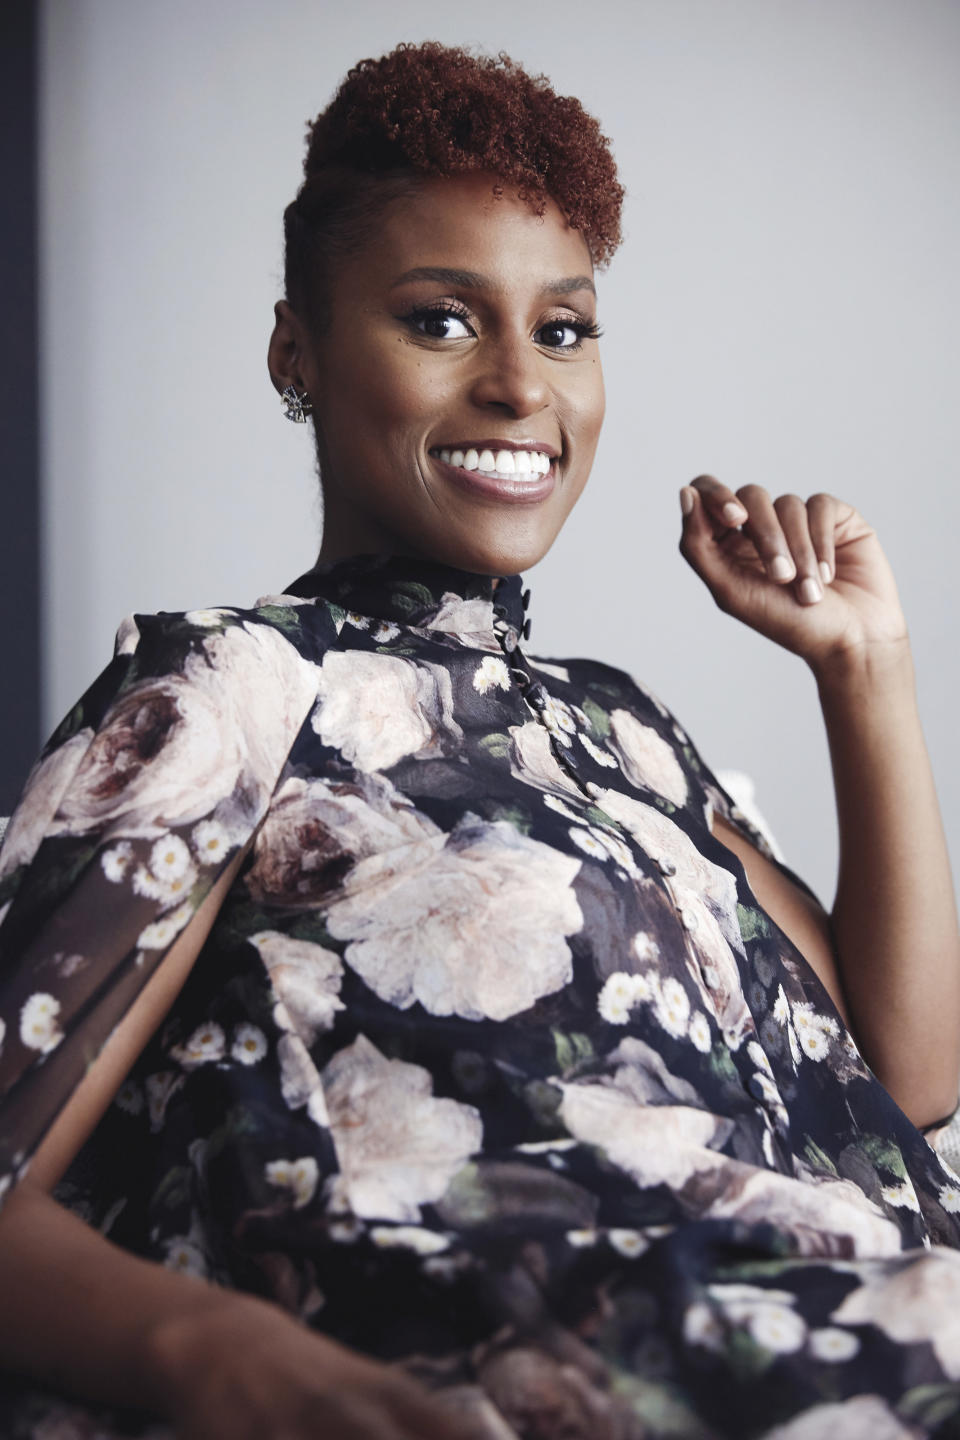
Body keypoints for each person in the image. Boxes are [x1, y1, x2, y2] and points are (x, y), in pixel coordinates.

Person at [1, 39, 959, 1440]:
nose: (522, 386)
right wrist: (214, 1355)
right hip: (576, 1359)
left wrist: (865, 672)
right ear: (298, 350)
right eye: (444, 321)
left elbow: (909, 1077)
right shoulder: (236, 683)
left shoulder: (624, 732)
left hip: (856, 1304)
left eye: (563, 329)